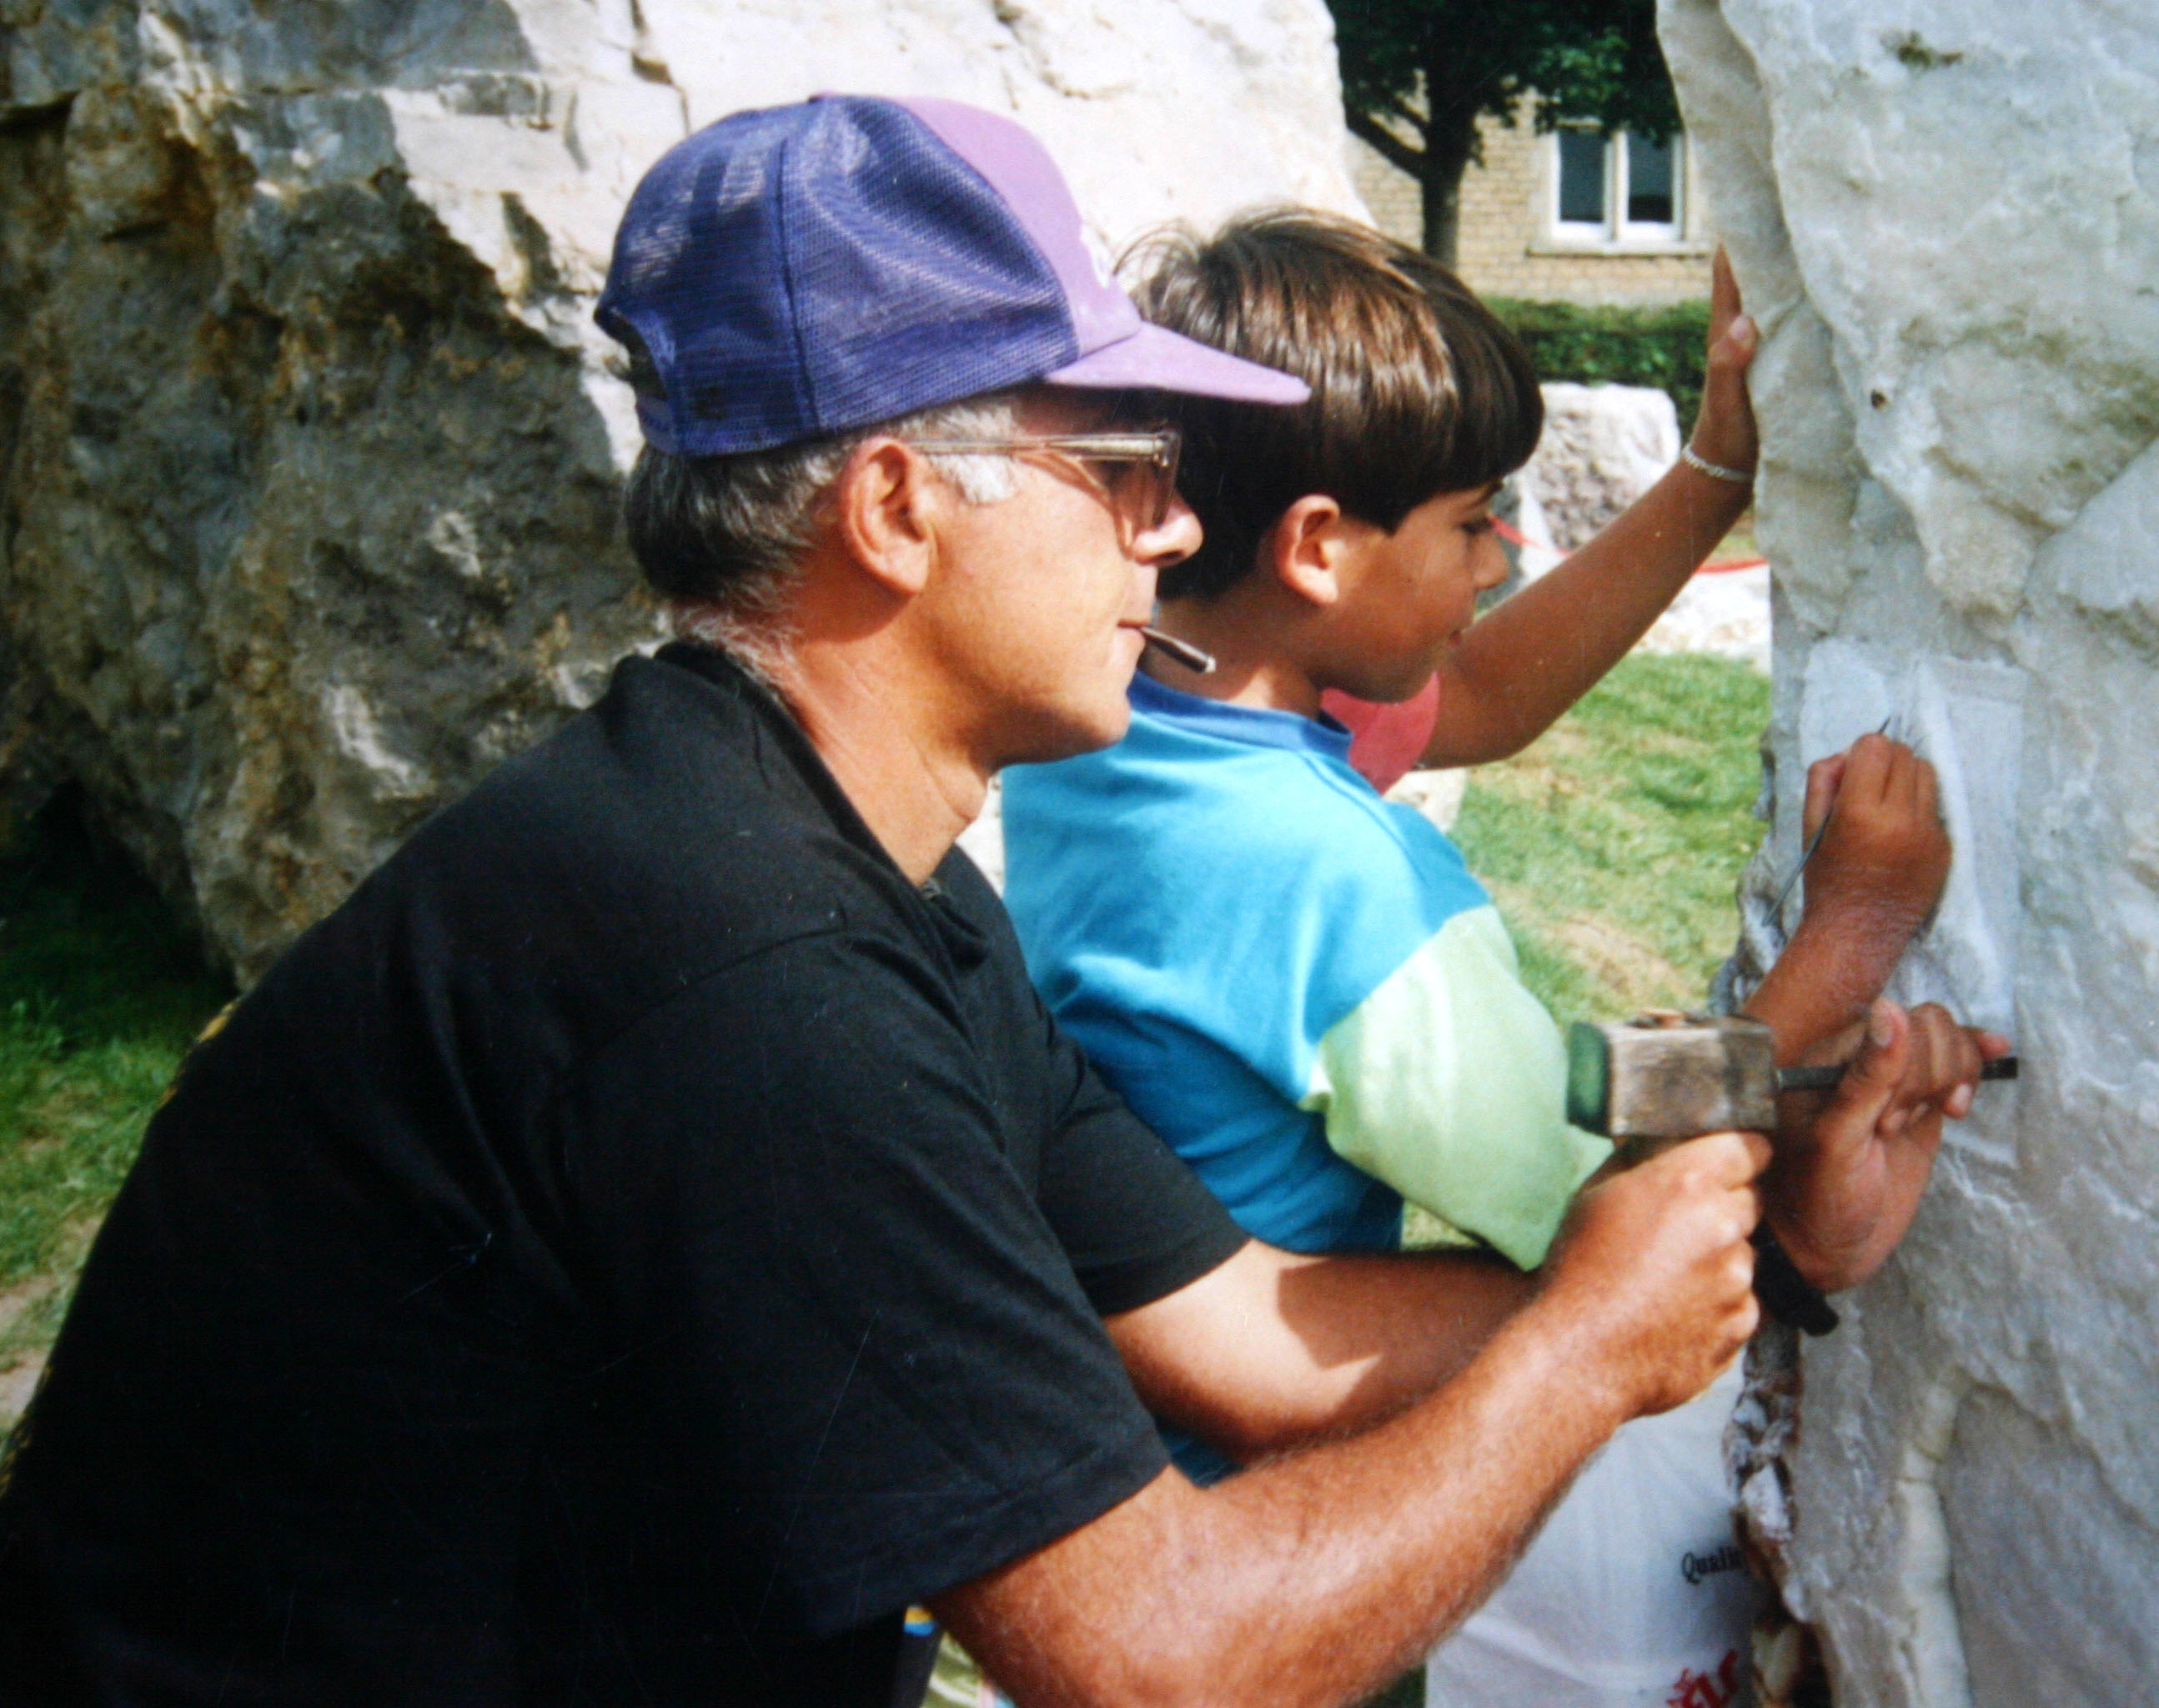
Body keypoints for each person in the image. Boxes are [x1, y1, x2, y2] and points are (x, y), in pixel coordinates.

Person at [0, 98, 1982, 1708]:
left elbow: (1231, 1326)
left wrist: (1719, 1284)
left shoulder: (855, 867)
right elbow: (1154, 1660)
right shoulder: (741, 973)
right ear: (895, 507)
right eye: (1119, 464)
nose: (1179, 523)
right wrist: (1576, 1353)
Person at [999, 211, 1992, 1698]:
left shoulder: (1117, 725)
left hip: (1124, 1487)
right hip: (1287, 1562)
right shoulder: (1339, 881)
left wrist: (1717, 467)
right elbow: (1595, 1182)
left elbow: (1474, 689)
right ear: (1318, 547)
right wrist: (1843, 949)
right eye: (1472, 520)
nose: (1505, 548)